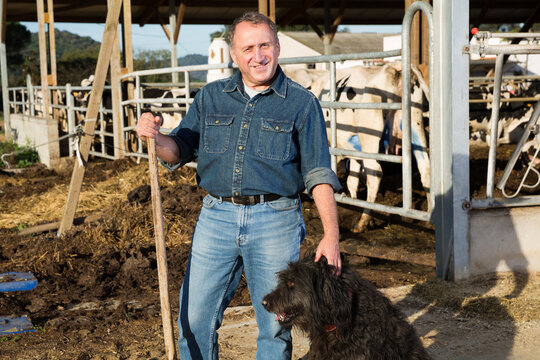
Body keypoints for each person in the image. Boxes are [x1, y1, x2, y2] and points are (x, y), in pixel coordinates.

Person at [135, 11, 341, 360]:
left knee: (275, 327)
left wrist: (331, 236)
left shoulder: (302, 104)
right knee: (192, 320)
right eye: (248, 48)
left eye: (265, 45)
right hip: (216, 217)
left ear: (278, 47)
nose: (257, 56)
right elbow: (179, 149)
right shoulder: (210, 98)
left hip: (276, 218)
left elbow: (318, 173)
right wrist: (155, 139)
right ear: (234, 54)